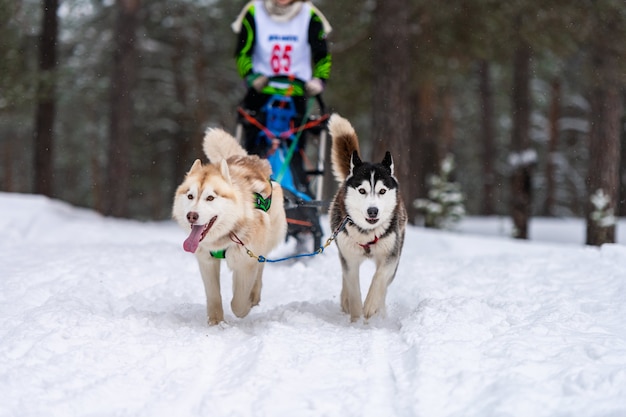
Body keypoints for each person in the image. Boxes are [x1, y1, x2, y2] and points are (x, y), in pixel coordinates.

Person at [231, 0, 332, 157]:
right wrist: (251, 76)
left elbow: (322, 55)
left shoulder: (310, 15)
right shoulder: (253, 11)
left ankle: (297, 179)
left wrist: (319, 80)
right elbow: (243, 52)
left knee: (295, 154)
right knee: (252, 153)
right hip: (261, 91)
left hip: (297, 92)